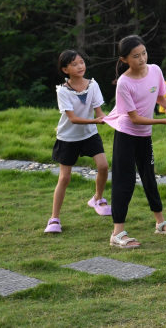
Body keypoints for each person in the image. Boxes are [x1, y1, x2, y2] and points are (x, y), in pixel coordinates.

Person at [104, 35, 166, 249]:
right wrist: (165, 121)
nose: (142, 59)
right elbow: (134, 118)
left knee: (149, 177)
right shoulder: (124, 83)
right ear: (124, 60)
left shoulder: (156, 70)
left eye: (144, 53)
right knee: (125, 181)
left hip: (144, 136)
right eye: (136, 56)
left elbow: (160, 98)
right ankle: (117, 233)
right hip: (126, 135)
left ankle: (160, 222)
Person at [44, 50, 111, 234]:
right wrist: (96, 121)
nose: (80, 66)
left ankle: (97, 199)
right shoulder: (63, 91)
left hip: (90, 134)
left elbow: (99, 113)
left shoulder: (93, 85)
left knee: (104, 166)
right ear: (65, 69)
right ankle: (54, 219)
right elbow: (72, 118)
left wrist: (110, 119)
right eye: (74, 64)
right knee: (64, 178)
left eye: (81, 62)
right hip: (68, 138)